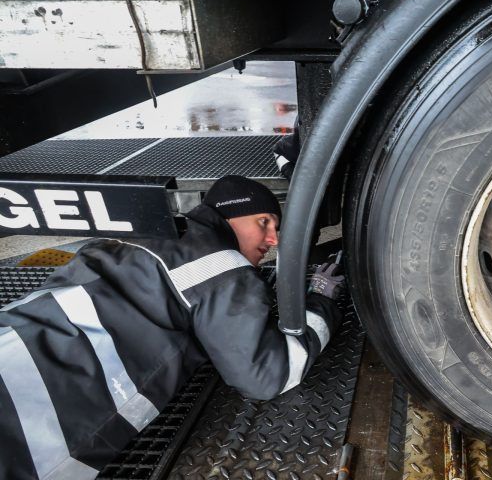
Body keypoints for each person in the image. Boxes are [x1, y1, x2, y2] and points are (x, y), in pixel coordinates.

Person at [0, 175, 344, 480]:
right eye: (264, 222)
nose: (274, 239)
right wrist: (321, 302)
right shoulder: (221, 264)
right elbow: (266, 376)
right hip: (39, 402)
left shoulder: (135, 235)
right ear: (230, 215)